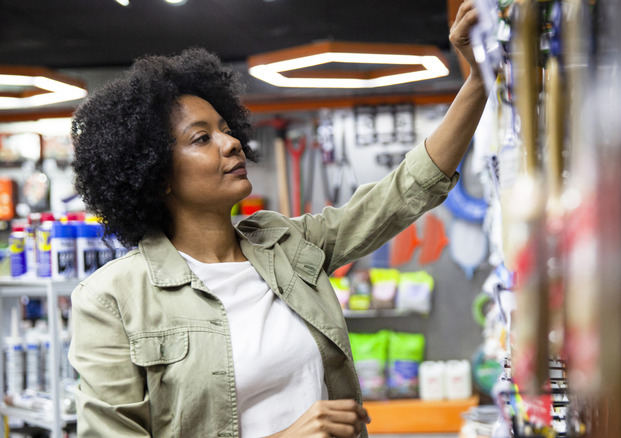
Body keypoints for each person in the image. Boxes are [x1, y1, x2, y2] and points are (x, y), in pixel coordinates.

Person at [68, 1, 486, 437]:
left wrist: (478, 79)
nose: (231, 143)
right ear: (155, 175)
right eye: (201, 138)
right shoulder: (111, 299)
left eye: (226, 128)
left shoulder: (286, 245)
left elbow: (402, 192)